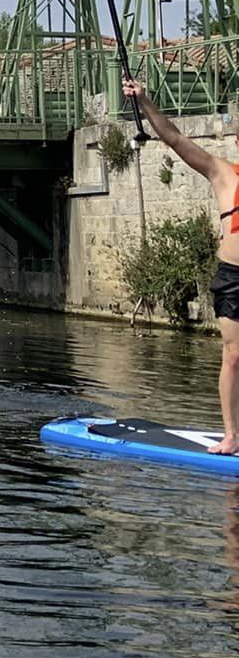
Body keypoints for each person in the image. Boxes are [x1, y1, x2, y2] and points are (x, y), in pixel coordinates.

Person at [122, 77, 238, 454]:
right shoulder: (223, 173)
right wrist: (144, 102)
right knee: (234, 355)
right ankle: (231, 435)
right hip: (233, 278)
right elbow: (174, 138)